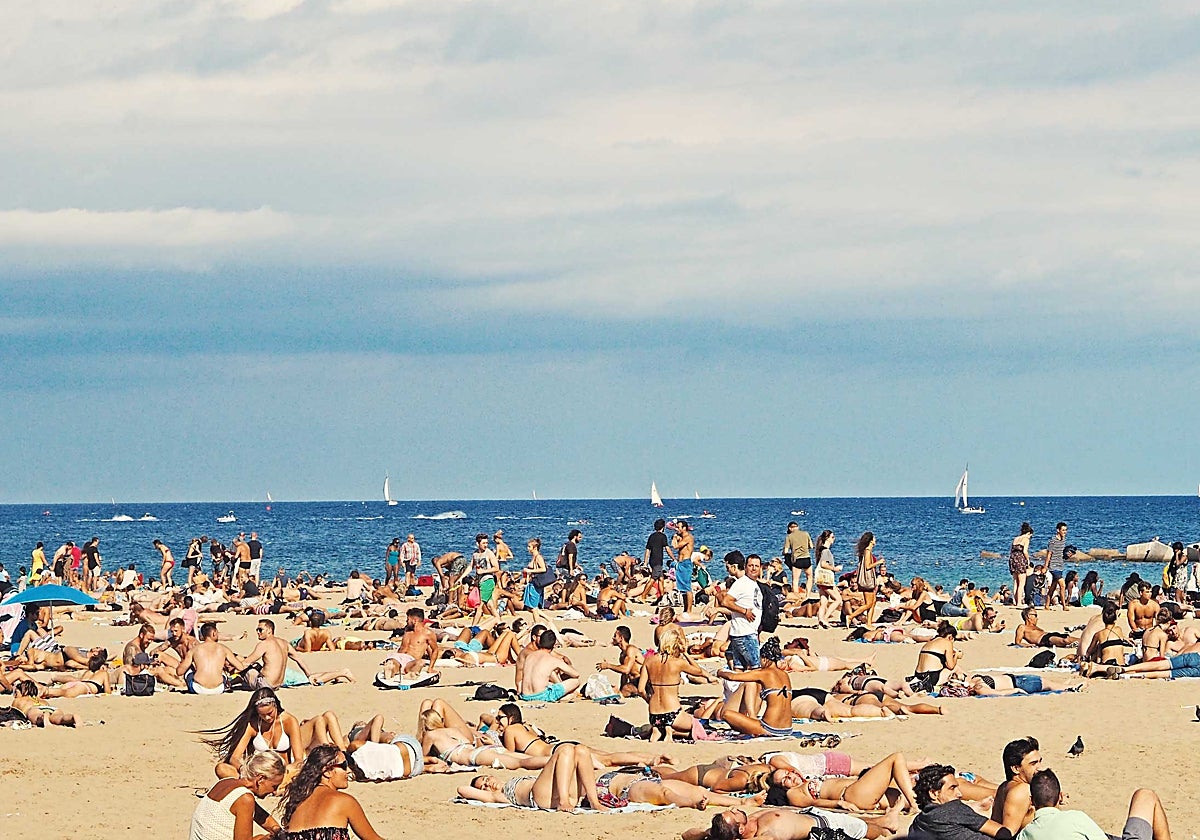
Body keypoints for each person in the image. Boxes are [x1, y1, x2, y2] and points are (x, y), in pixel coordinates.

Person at [1017, 768, 1173, 840]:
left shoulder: (1025, 835)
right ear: (1060, 797)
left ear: (1031, 801)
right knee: (1145, 795)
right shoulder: (1075, 818)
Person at [456, 742, 609, 811]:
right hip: (539, 797)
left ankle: (594, 801)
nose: (487, 785)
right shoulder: (496, 796)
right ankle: (562, 801)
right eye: (483, 787)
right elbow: (462, 789)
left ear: (492, 776)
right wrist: (484, 792)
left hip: (565, 794)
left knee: (581, 750)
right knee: (566, 749)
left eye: (486, 780)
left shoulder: (509, 779)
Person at [278, 745, 385, 840]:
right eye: (343, 765)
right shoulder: (344, 801)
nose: (348, 770)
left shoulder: (298, 802)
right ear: (327, 772)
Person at [765, 752, 919, 814]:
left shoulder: (807, 779)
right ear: (782, 788)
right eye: (784, 780)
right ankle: (913, 803)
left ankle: (913, 802)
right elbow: (812, 803)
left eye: (787, 773)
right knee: (896, 758)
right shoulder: (793, 793)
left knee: (913, 795)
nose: (790, 777)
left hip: (861, 792)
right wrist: (839, 804)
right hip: (852, 795)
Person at [638, 624, 717, 740]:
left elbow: (640, 689)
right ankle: (670, 731)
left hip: (654, 714)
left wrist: (649, 700)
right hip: (673, 712)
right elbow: (699, 671)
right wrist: (685, 653)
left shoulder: (649, 660)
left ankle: (659, 730)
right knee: (697, 726)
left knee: (662, 723)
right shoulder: (677, 662)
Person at [189, 750, 285, 840]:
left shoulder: (225, 782)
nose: (275, 792)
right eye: (274, 786)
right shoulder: (245, 798)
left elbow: (260, 814)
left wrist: (280, 832)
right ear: (260, 779)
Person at [243, 618, 352, 689]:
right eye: (257, 630)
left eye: (260, 629)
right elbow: (298, 659)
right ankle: (339, 673)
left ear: (269, 630)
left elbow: (246, 663)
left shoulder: (264, 644)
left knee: (246, 670)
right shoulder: (284, 643)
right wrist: (309, 674)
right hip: (278, 683)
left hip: (267, 685)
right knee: (307, 679)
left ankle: (341, 673)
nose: (257, 632)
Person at [910, 764, 1014, 838]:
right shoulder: (953, 809)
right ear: (934, 793)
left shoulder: (917, 824)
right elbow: (1003, 833)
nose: (959, 794)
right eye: (952, 788)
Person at [692, 805, 901, 840]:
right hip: (823, 827)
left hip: (808, 814)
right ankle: (886, 829)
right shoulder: (766, 834)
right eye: (734, 813)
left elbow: (687, 834)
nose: (737, 809)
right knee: (865, 830)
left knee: (856, 820)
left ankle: (886, 820)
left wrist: (709, 833)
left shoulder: (749, 823)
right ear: (740, 828)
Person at [344, 714, 448, 780]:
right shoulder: (357, 740)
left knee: (393, 757)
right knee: (392, 749)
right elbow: (350, 745)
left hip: (409, 770)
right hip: (407, 748)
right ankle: (430, 760)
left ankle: (428, 765)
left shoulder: (366, 773)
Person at [720, 551, 763, 679]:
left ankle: (736, 696)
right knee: (757, 670)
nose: (754, 568)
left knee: (739, 668)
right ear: (745, 567)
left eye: (756, 566)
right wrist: (745, 611)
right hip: (745, 633)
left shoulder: (752, 584)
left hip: (743, 632)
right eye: (751, 565)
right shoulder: (742, 583)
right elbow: (726, 601)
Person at [176, 621, 247, 694]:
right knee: (222, 672)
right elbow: (240, 667)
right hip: (219, 688)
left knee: (188, 668)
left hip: (198, 688)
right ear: (214, 633)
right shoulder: (224, 649)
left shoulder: (194, 650)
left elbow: (179, 672)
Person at [990, 737, 1040, 833]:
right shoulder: (1022, 790)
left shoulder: (1004, 786)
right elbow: (1007, 833)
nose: (1039, 768)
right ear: (1016, 769)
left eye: (1039, 761)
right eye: (1033, 763)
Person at [519, 629, 582, 702]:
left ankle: (566, 696)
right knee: (576, 681)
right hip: (541, 696)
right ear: (553, 645)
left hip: (525, 696)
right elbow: (576, 674)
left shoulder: (530, 656)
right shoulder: (553, 660)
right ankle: (566, 697)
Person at [907, 621, 960, 693]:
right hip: (930, 677)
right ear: (950, 637)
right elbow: (951, 666)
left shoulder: (930, 642)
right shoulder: (947, 643)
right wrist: (956, 655)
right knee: (956, 668)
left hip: (918, 675)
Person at [6, 679, 79, 727]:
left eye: (16, 693)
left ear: (23, 692)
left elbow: (13, 712)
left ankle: (43, 717)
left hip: (34, 709)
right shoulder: (41, 700)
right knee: (58, 719)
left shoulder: (18, 700)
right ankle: (71, 718)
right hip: (50, 708)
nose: (15, 695)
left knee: (37, 717)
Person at [596, 625, 644, 697]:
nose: (613, 638)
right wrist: (621, 688)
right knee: (621, 690)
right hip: (633, 682)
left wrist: (608, 666)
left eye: (615, 636)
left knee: (625, 689)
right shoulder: (622, 655)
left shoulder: (631, 650)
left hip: (642, 681)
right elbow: (624, 675)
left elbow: (626, 670)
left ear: (621, 638)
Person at [845, 533, 880, 625]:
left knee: (873, 602)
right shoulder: (867, 551)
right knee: (868, 604)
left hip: (870, 580)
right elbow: (868, 566)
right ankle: (851, 616)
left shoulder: (867, 551)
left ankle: (869, 623)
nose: (875, 540)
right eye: (874, 538)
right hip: (867, 581)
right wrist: (878, 562)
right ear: (871, 540)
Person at [470, 533, 500, 621]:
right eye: (483, 543)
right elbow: (470, 566)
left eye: (486, 543)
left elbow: (496, 568)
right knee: (490, 606)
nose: (486, 545)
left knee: (480, 606)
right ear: (477, 544)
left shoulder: (489, 553)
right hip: (480, 582)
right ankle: (500, 623)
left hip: (488, 581)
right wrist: (460, 578)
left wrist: (483, 571)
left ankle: (473, 627)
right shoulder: (475, 554)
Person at [644, 518, 675, 604]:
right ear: (663, 527)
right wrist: (674, 558)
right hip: (658, 560)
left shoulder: (651, 536)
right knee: (653, 579)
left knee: (661, 578)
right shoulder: (663, 536)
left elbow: (647, 550)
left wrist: (645, 562)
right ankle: (642, 596)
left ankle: (661, 596)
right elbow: (667, 548)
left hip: (652, 560)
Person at [1013, 608, 1078, 648]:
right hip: (1044, 639)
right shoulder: (1022, 627)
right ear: (1028, 616)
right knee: (1065, 640)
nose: (1037, 618)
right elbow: (1018, 642)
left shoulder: (1036, 627)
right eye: (1035, 615)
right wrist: (1028, 645)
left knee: (1071, 638)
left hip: (1050, 634)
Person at [1041, 522, 1069, 610]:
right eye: (1063, 530)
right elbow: (1049, 554)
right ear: (1058, 530)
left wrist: (1067, 555)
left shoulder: (1064, 540)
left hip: (1060, 565)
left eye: (1066, 530)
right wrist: (1045, 567)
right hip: (1053, 566)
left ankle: (1047, 605)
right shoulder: (1052, 541)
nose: (1065, 532)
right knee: (1063, 585)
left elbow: (1061, 553)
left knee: (1053, 586)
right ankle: (1064, 606)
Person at [782, 521, 814, 596]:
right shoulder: (806, 534)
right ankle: (808, 595)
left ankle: (796, 597)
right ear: (798, 527)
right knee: (809, 577)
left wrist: (784, 552)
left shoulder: (789, 536)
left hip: (797, 559)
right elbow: (811, 546)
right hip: (806, 558)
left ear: (790, 528)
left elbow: (786, 551)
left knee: (795, 580)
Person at [674, 520, 696, 613]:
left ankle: (689, 610)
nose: (677, 529)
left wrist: (674, 538)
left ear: (684, 528)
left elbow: (675, 546)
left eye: (679, 527)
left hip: (686, 563)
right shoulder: (682, 537)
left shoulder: (688, 537)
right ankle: (685, 608)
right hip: (681, 563)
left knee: (687, 588)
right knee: (682, 588)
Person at [1009, 523, 1033, 607]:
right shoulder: (1026, 539)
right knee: (1022, 583)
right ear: (1029, 533)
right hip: (1020, 560)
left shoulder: (1016, 538)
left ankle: (1015, 601)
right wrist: (1028, 560)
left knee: (1015, 582)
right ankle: (1019, 602)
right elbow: (1025, 551)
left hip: (1013, 559)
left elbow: (1012, 550)